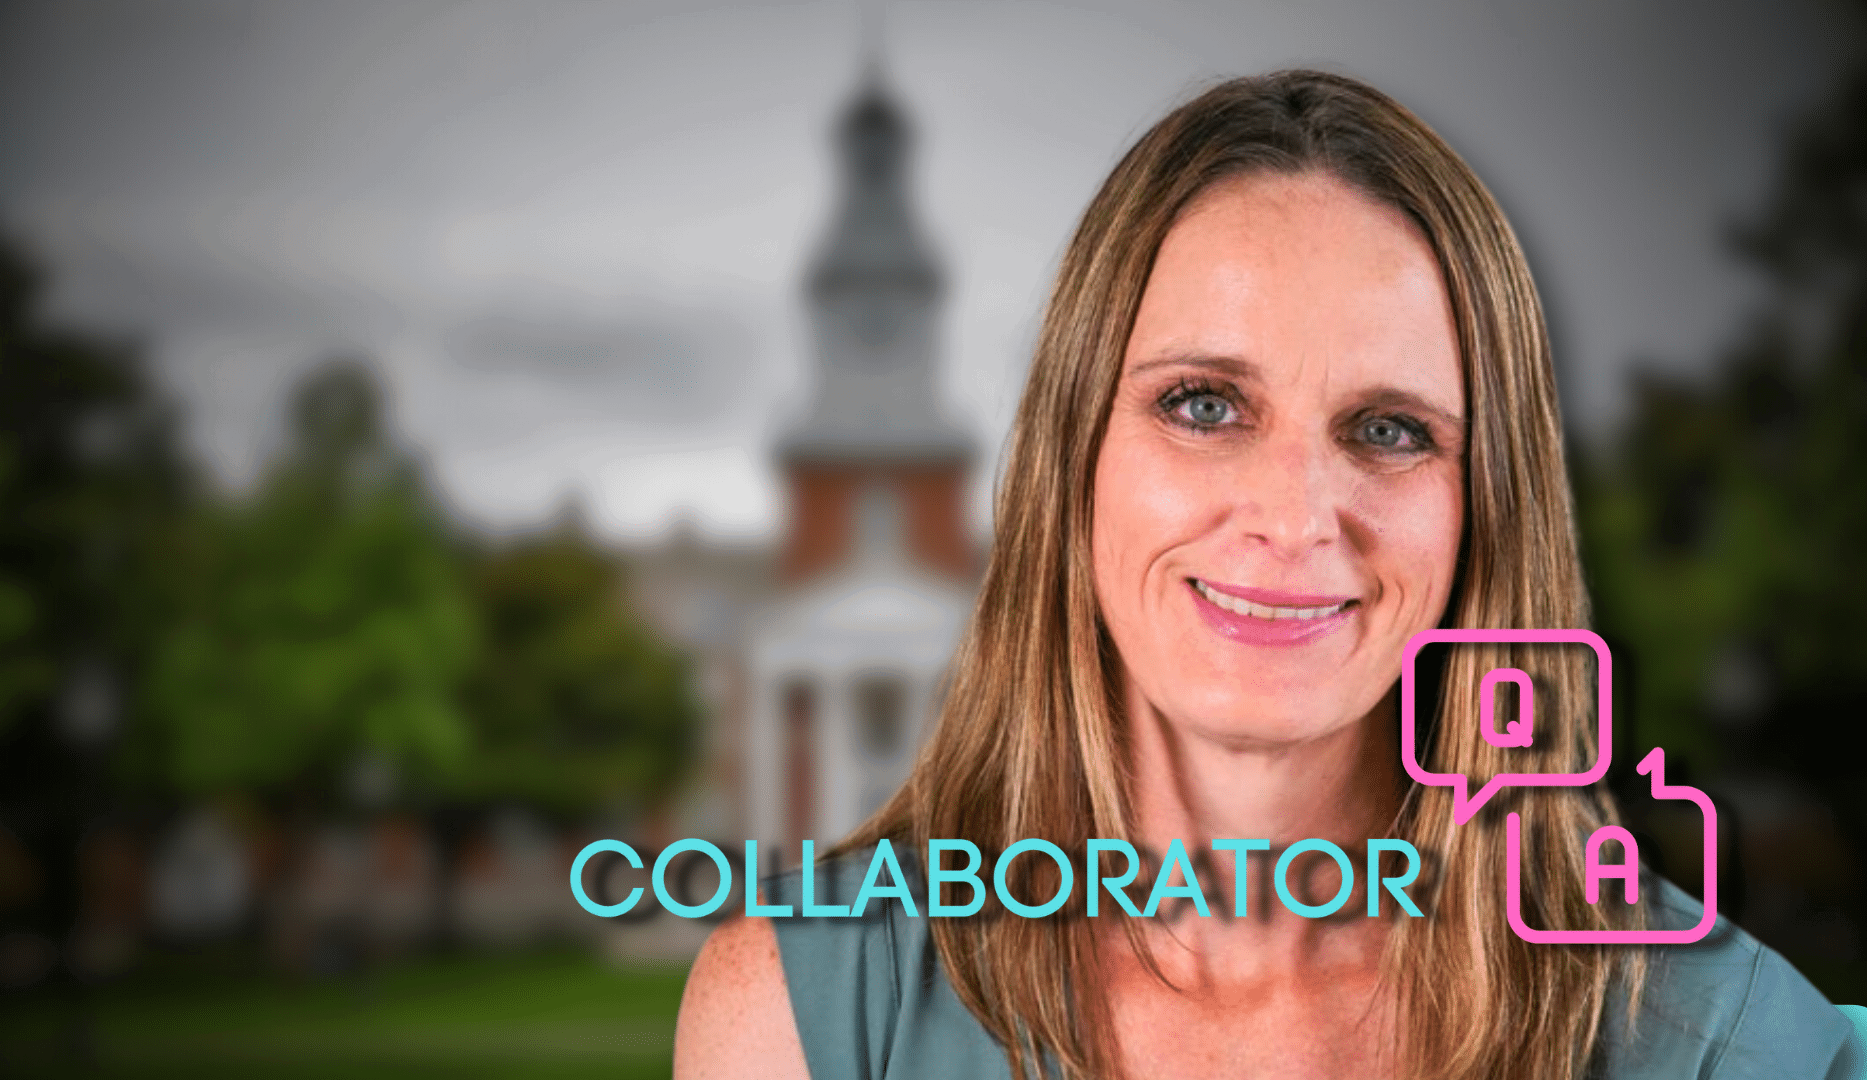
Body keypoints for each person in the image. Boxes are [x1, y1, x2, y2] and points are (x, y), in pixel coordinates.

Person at [674, 69, 1855, 1080]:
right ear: (1070, 456)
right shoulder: (800, 1017)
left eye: (1389, 429)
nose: (1294, 519)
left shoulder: (1715, 1038)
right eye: (1203, 405)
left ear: (1486, 508)